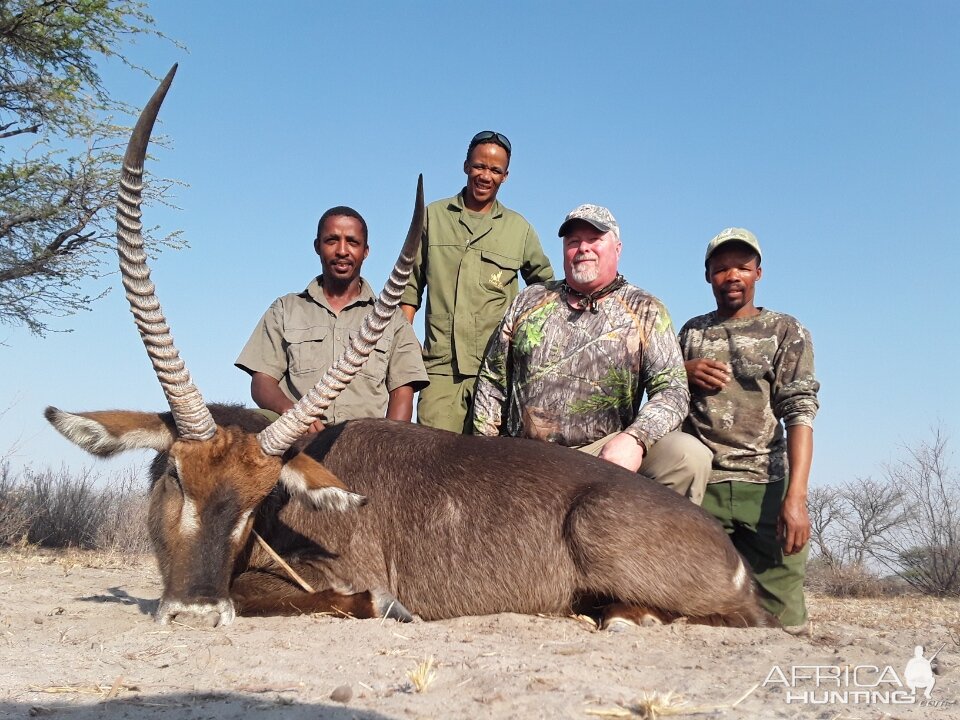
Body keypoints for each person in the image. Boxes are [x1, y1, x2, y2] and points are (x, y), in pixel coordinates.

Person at [472, 204, 711, 503]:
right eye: (573, 242)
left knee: (689, 456)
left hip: (604, 458)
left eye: (594, 239)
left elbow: (672, 391)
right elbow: (493, 380)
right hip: (527, 457)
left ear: (618, 248)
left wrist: (635, 439)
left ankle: (642, 546)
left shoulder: (646, 309)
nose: (583, 249)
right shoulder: (529, 300)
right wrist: (484, 453)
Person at [678, 227, 820, 632]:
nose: (732, 276)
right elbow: (662, 391)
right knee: (696, 612)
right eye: (721, 269)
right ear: (708, 276)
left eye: (742, 266)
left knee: (784, 622)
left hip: (766, 487)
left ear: (759, 273)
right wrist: (682, 371)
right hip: (706, 491)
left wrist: (796, 499)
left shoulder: (786, 330)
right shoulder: (691, 332)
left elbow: (799, 412)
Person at [400, 131, 553, 433]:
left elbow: (546, 293)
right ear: (466, 166)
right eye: (480, 166)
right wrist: (406, 340)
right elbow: (409, 286)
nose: (486, 176)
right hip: (441, 370)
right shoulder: (433, 216)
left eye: (495, 170)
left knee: (492, 467)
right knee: (434, 461)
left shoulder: (519, 229)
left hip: (497, 372)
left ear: (505, 176)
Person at [236, 206, 428, 431]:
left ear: (365, 251)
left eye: (352, 242)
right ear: (317, 246)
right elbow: (262, 382)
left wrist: (387, 444)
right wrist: (292, 413)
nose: (342, 251)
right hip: (298, 438)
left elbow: (402, 391)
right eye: (332, 240)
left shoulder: (392, 318)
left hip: (363, 445)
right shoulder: (285, 309)